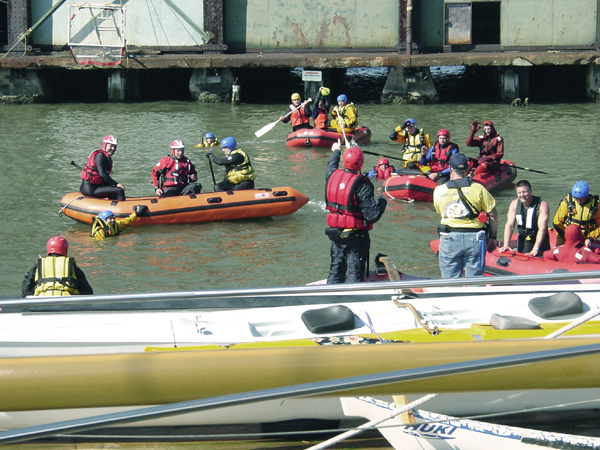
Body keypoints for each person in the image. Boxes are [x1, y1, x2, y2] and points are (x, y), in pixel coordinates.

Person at [325, 139, 387, 284]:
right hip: (355, 236)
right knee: (354, 272)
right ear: (361, 163)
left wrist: (336, 151)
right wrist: (383, 199)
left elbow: (331, 164)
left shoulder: (332, 175)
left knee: (336, 269)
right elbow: (373, 216)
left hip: (336, 233)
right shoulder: (362, 184)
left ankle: (330, 294)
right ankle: (353, 297)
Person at [433, 153, 498, 278]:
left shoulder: (439, 191)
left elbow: (440, 211)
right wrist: (493, 237)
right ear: (467, 169)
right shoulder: (479, 189)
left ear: (450, 169)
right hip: (475, 238)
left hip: (449, 238)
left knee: (449, 282)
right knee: (476, 281)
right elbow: (493, 214)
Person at [21, 236, 93, 297]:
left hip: (42, 301)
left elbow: (26, 289)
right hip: (67, 302)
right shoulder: (72, 267)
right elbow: (87, 291)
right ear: (65, 250)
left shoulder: (38, 267)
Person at [498, 180, 550, 257]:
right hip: (523, 238)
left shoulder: (542, 205)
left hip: (538, 239)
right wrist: (506, 245)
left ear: (531, 191)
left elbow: (542, 229)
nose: (522, 195)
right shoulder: (514, 204)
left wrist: (535, 249)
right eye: (519, 192)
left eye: (524, 192)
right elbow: (510, 225)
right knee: (520, 257)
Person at [553, 180, 600, 247]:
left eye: (581, 198)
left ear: (586, 196)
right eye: (576, 198)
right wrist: (567, 236)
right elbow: (556, 222)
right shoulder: (567, 202)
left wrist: (590, 238)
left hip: (585, 240)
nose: (578, 200)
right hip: (566, 238)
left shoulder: (596, 204)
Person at [80, 135, 125, 201]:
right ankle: (122, 208)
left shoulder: (105, 157)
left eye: (115, 147)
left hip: (96, 186)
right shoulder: (100, 156)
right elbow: (102, 173)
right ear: (105, 145)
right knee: (119, 190)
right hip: (90, 189)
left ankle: (113, 204)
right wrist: (116, 184)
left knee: (114, 188)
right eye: (111, 146)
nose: (113, 148)